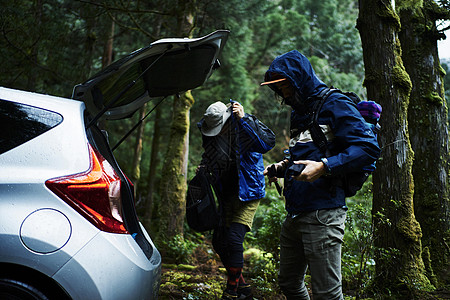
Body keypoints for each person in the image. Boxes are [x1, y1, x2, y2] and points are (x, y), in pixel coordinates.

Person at [261, 50, 380, 300]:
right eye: (278, 88)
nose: (283, 93)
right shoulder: (300, 111)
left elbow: (368, 148)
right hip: (294, 211)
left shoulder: (335, 103)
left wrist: (325, 166)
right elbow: (305, 154)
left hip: (323, 213)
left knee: (327, 294)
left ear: (299, 79)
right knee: (289, 283)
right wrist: (281, 168)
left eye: (285, 86)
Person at [197, 100, 275, 300]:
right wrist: (205, 168)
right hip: (227, 193)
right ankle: (244, 289)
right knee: (219, 241)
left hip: (248, 192)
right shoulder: (209, 133)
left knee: (233, 239)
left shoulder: (243, 125)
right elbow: (210, 155)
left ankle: (231, 291)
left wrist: (245, 118)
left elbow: (266, 143)